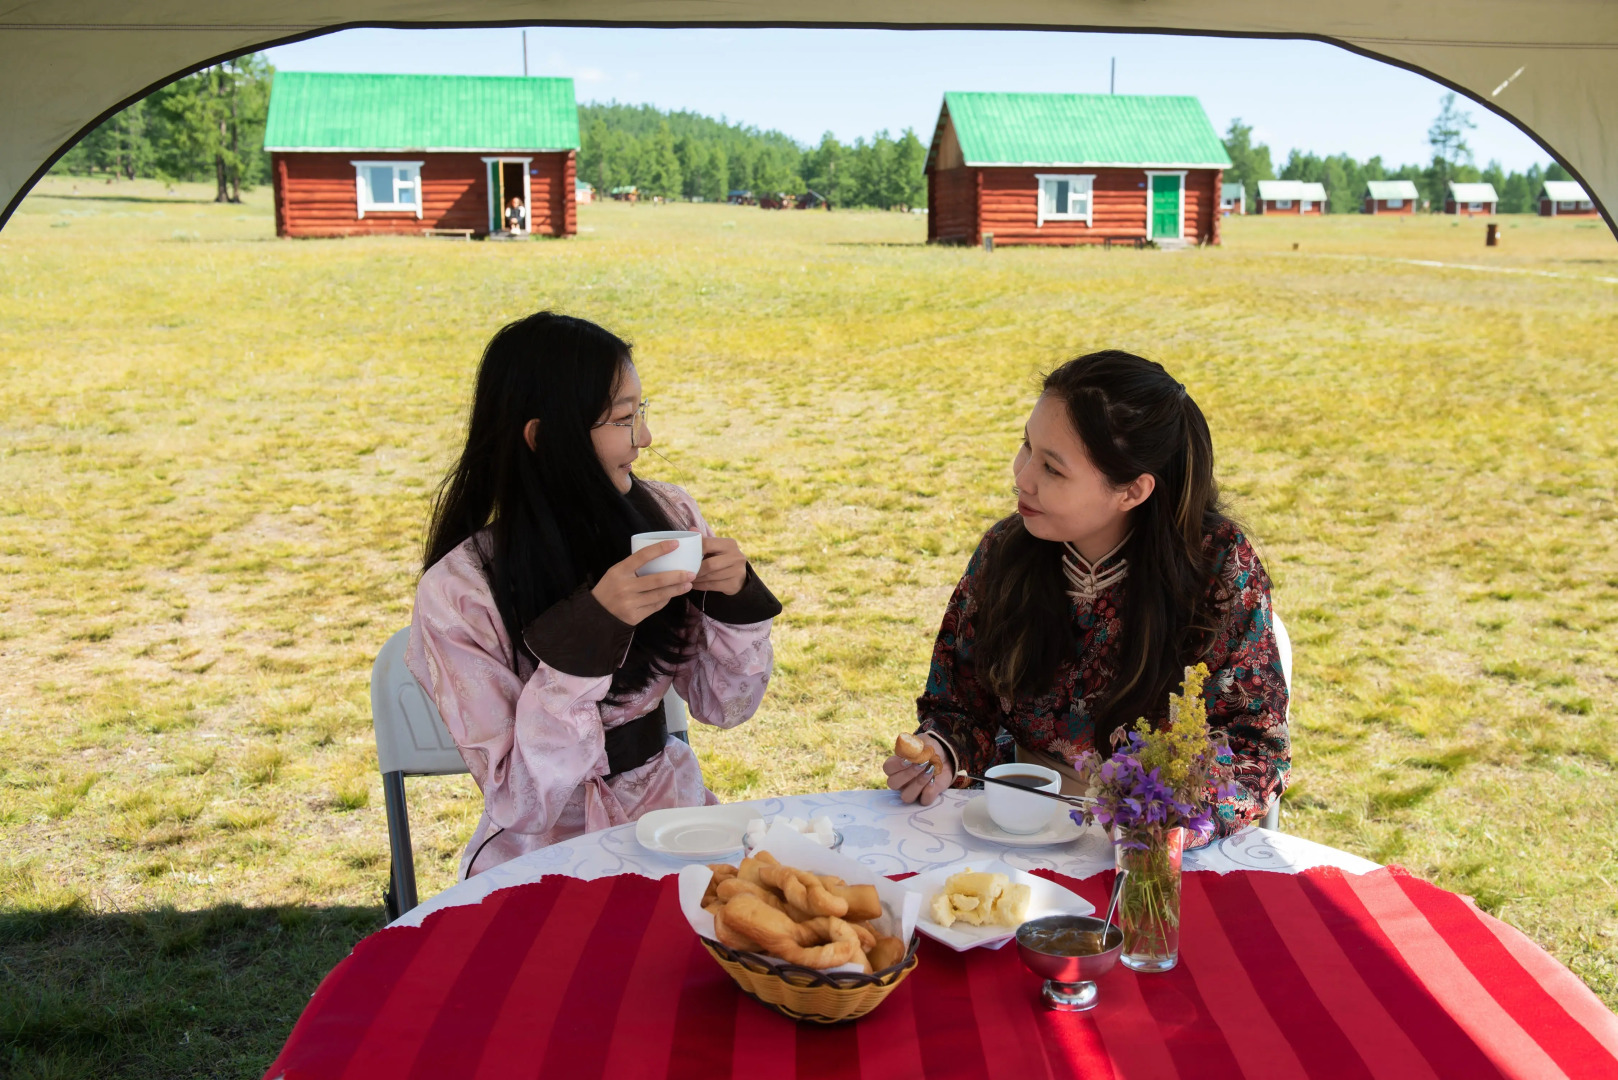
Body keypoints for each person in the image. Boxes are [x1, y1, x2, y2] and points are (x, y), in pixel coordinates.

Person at [407, 312, 781, 877]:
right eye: (623, 420)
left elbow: (723, 706)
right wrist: (589, 633)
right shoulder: (461, 592)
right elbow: (523, 800)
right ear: (542, 438)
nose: (646, 439)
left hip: (673, 824)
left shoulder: (667, 516)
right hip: (545, 855)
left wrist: (733, 601)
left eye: (642, 413)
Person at [883, 350, 1289, 844]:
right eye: (1026, 446)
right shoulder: (1006, 552)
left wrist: (1162, 816)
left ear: (1132, 491)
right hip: (1015, 823)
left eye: (1052, 468)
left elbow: (1254, 749)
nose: (1022, 476)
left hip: (1147, 845)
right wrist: (943, 751)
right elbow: (960, 707)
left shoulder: (1218, 571)